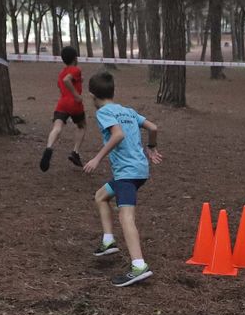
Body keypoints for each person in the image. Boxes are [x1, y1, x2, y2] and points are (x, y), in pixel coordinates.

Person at [82, 71, 163, 287]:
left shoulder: (104, 112)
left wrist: (97, 158)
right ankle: (108, 241)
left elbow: (118, 135)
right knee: (101, 196)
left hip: (127, 172)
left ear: (92, 95)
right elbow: (153, 128)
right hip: (139, 170)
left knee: (126, 216)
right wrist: (151, 147)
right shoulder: (127, 111)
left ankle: (138, 265)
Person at [40, 45, 87, 171]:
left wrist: (78, 81)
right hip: (74, 104)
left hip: (62, 103)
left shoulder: (61, 73)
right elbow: (68, 80)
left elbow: (62, 83)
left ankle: (49, 147)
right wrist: (76, 95)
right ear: (75, 58)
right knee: (81, 126)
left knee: (57, 128)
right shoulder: (76, 69)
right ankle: (75, 152)